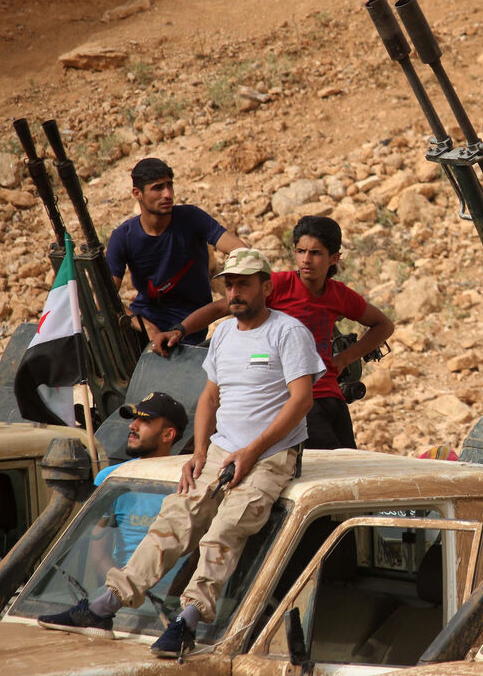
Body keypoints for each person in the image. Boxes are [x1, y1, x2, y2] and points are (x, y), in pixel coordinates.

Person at [39, 248, 323, 658]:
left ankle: (187, 620)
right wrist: (200, 451)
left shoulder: (288, 332)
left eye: (244, 284)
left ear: (266, 286)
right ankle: (104, 606)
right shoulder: (223, 334)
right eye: (229, 284)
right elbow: (209, 397)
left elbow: (301, 401)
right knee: (175, 518)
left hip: (272, 455)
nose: (235, 292)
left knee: (228, 526)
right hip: (223, 450)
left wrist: (252, 451)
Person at [153, 216, 394, 450]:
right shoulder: (277, 285)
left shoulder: (339, 294)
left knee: (348, 464)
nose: (306, 259)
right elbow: (220, 308)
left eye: (316, 253)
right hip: (294, 399)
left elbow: (383, 325)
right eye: (301, 251)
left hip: (331, 394)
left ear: (334, 258)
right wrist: (179, 330)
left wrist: (344, 359)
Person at [106, 157, 247, 346]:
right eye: (158, 188)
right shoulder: (123, 237)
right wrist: (148, 328)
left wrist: (232, 297)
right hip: (144, 323)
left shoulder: (191, 218)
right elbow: (105, 298)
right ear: (137, 193)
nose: (167, 194)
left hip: (189, 326)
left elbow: (241, 251)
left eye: (169, 185)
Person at [89, 392, 187, 572]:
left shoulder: (189, 481)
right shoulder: (111, 478)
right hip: (121, 584)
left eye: (145, 421)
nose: (132, 425)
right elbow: (99, 556)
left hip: (178, 589)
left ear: (168, 435)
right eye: (135, 419)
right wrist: (121, 586)